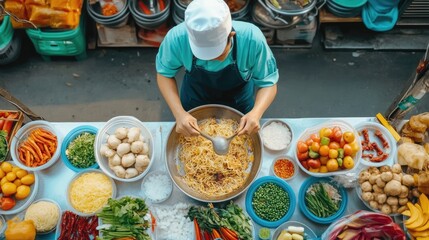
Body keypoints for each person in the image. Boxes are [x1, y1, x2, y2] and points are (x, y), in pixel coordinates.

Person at [156, 0, 279, 137]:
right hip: (195, 97)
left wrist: (256, 113)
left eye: (217, 53)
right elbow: (164, 74)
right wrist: (179, 113)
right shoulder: (177, 38)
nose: (210, 59)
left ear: (231, 35)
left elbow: (268, 83)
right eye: (202, 53)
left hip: (238, 101)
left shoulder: (251, 39)